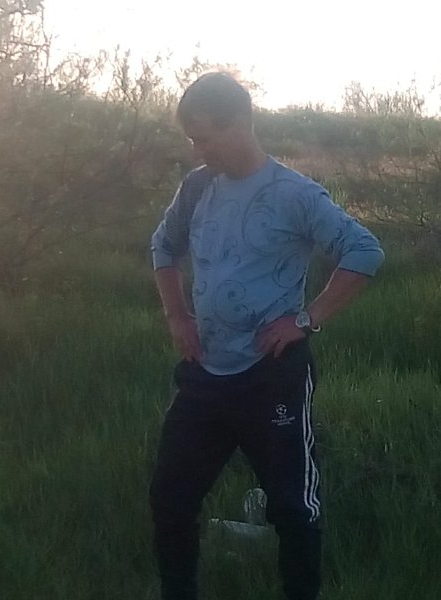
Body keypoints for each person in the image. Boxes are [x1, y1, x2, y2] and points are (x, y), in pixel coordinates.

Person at [149, 72, 384, 600]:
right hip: (204, 374)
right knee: (170, 499)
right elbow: (163, 247)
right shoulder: (197, 187)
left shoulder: (294, 194)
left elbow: (365, 252)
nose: (197, 151)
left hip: (270, 377)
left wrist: (306, 319)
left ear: (241, 123)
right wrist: (177, 316)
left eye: (205, 138)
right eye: (191, 139)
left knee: (293, 510)